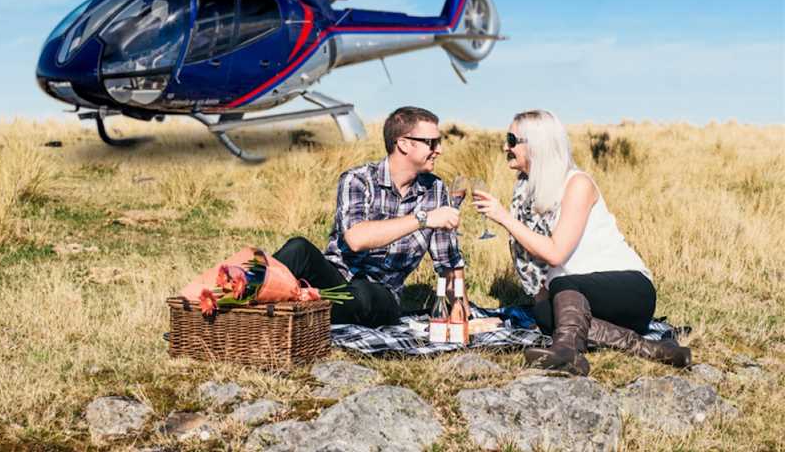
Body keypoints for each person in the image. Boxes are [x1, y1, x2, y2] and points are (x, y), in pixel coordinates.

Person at [472, 109, 690, 375]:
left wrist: (504, 218)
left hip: (628, 289)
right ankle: (653, 349)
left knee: (563, 285)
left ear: (538, 145)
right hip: (573, 295)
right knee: (544, 314)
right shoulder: (526, 190)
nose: (506, 146)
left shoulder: (577, 184)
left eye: (512, 139)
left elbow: (555, 255)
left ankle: (566, 352)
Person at [274, 106, 465, 327]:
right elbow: (356, 239)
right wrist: (422, 219)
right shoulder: (358, 180)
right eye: (431, 143)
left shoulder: (435, 189)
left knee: (364, 293)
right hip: (337, 279)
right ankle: (237, 301)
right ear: (403, 143)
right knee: (299, 249)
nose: (439, 150)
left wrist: (461, 309)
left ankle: (305, 309)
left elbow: (449, 263)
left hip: (381, 294)